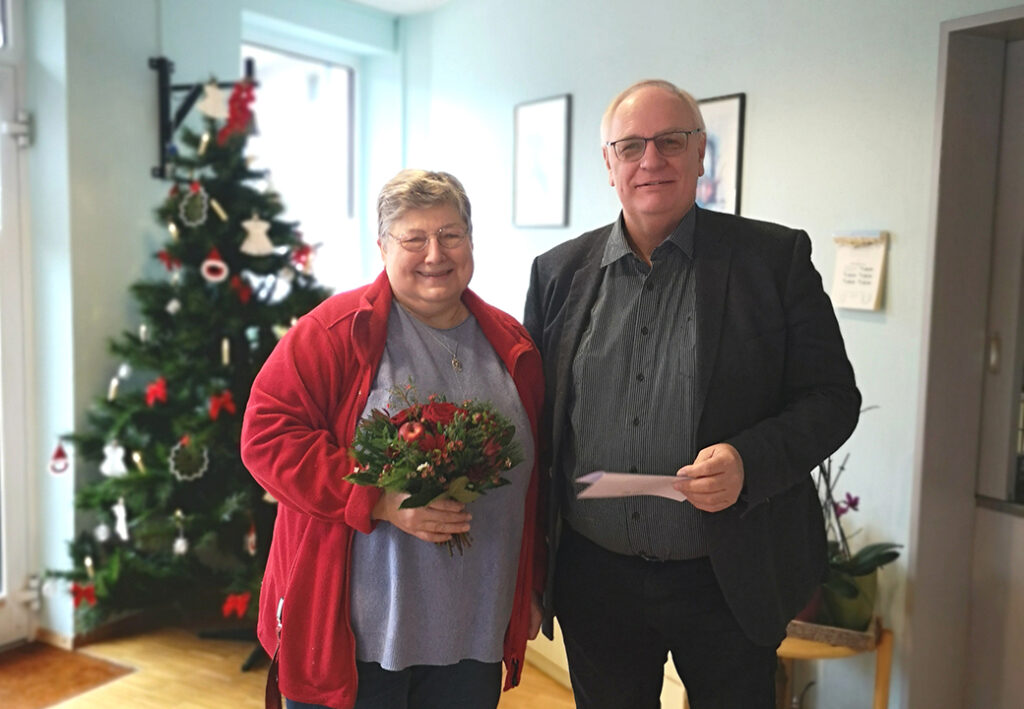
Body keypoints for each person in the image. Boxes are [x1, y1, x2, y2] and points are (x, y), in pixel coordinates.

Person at [524, 79, 861, 709]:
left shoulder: (774, 259)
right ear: (608, 163)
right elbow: (537, 424)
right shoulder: (557, 273)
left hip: (728, 575)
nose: (650, 161)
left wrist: (747, 462)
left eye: (670, 142)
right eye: (630, 147)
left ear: (701, 153)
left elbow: (832, 398)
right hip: (595, 580)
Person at [242, 169, 545, 709]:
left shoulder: (512, 344)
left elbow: (536, 481)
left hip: (474, 632)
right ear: (383, 247)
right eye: (414, 238)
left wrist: (531, 591)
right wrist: (377, 500)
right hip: (357, 638)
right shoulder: (333, 332)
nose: (436, 253)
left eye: (451, 235)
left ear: (470, 242)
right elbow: (267, 437)